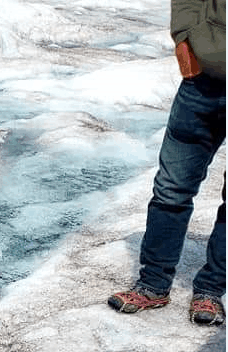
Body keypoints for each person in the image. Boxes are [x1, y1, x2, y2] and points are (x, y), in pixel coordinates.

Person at [108, 0, 225, 325]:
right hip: (202, 83)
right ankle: (153, 285)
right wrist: (186, 46)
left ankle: (211, 290)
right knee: (171, 187)